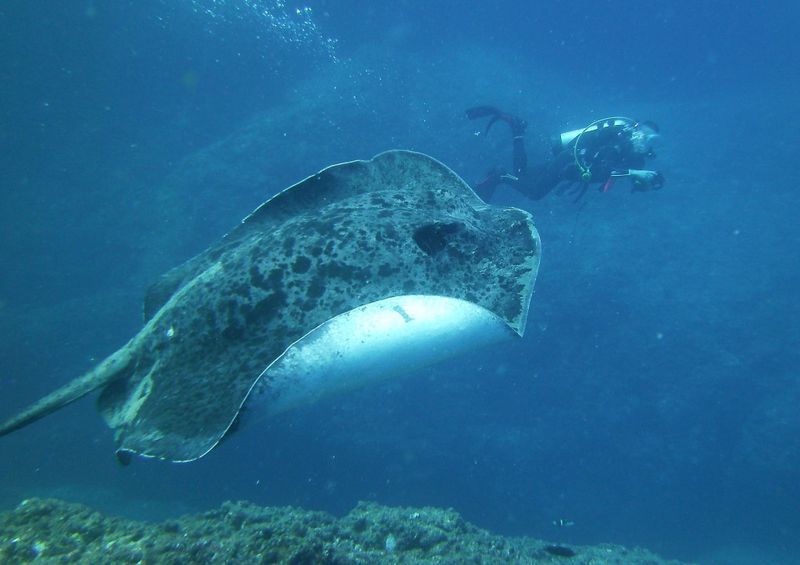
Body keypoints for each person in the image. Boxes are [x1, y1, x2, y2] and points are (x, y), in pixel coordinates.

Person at [466, 106, 664, 202]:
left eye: (651, 139)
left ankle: (517, 129)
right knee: (535, 192)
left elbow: (618, 174)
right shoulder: (621, 141)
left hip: (569, 164)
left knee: (521, 173)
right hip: (568, 163)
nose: (645, 141)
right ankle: (499, 175)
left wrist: (640, 179)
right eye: (644, 135)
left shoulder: (634, 158)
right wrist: (635, 174)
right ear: (636, 131)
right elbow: (607, 169)